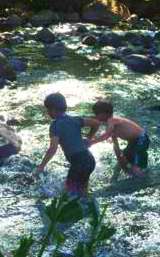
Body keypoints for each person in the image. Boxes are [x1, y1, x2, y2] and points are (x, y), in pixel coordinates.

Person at [35, 92, 99, 197]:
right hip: (89, 160)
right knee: (83, 193)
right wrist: (89, 138)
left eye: (48, 109)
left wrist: (41, 166)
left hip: (78, 163)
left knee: (68, 195)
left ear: (53, 110)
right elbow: (96, 123)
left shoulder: (55, 125)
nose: (47, 112)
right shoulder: (75, 120)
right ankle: (89, 208)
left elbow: (53, 148)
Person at [90, 100, 150, 179]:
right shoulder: (110, 125)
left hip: (141, 139)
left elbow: (106, 136)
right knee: (122, 161)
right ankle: (114, 179)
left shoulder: (112, 120)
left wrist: (91, 142)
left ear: (105, 114)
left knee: (136, 166)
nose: (96, 117)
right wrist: (120, 156)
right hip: (133, 142)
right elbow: (115, 143)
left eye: (97, 114)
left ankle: (144, 180)